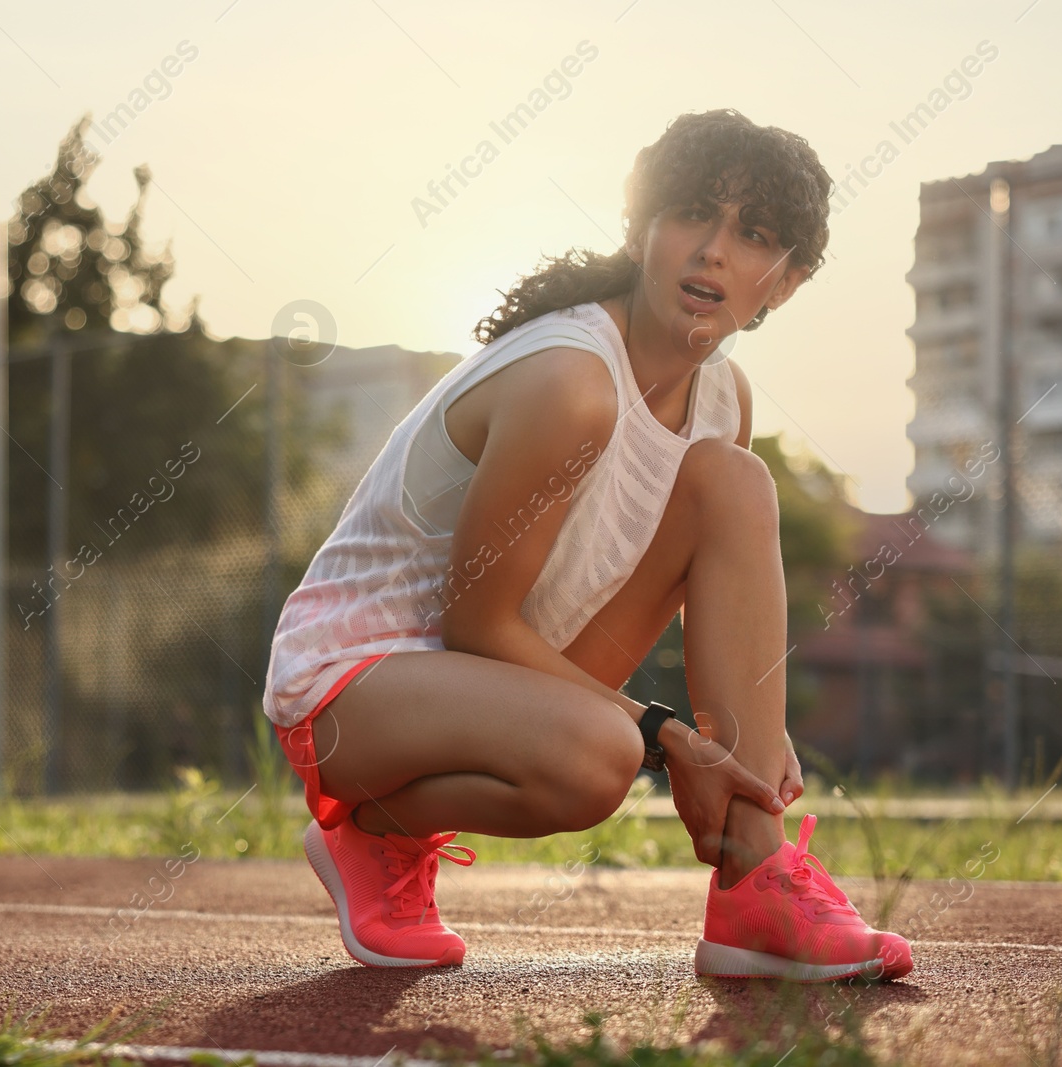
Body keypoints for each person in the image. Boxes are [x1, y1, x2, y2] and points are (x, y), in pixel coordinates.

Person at [261, 108, 912, 983]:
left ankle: (755, 888)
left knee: (735, 482)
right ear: (644, 230)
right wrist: (663, 732)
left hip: (502, 676)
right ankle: (375, 833)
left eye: (751, 235)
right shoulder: (573, 378)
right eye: (690, 215)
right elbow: (479, 623)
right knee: (600, 758)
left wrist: (758, 734)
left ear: (785, 281)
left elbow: (714, 589)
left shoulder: (723, 401)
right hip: (353, 687)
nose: (711, 250)